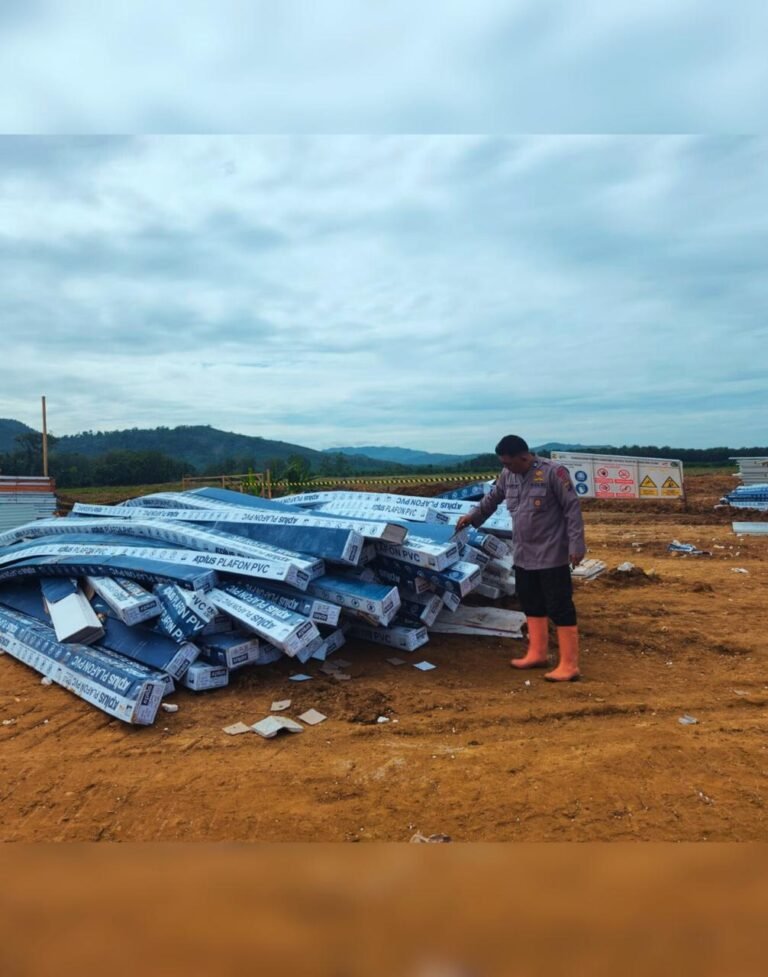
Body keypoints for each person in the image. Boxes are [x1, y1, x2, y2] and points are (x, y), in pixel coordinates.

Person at [456, 434, 586, 681]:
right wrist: (473, 517)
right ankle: (537, 653)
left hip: (552, 554)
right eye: (503, 463)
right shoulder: (508, 475)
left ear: (524, 457)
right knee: (531, 602)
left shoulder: (553, 473)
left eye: (509, 462)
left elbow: (572, 509)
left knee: (559, 606)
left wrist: (576, 545)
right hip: (524, 553)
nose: (506, 467)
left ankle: (569, 665)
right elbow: (492, 499)